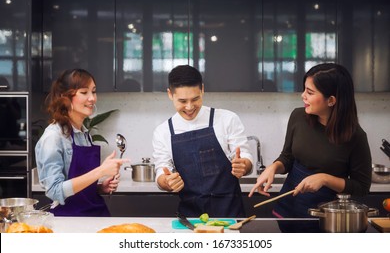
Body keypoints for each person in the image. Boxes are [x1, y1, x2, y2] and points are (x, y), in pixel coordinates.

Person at [249, 63, 372, 218]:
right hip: (288, 210)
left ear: (331, 100)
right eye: (304, 90)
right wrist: (273, 167)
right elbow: (287, 158)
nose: (303, 96)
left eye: (310, 92)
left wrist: (325, 179)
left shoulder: (356, 137)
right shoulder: (298, 117)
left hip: (326, 217)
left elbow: (361, 187)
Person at [152, 65, 253, 218]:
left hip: (230, 215)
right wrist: (167, 181)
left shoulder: (227, 119)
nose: (189, 107)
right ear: (170, 94)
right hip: (190, 218)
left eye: (195, 99)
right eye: (182, 101)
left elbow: (244, 155)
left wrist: (244, 166)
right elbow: (161, 170)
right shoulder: (162, 131)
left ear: (202, 90)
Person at [35, 69, 128, 216]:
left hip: (95, 214)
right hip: (70, 220)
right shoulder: (53, 137)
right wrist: (100, 171)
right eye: (84, 92)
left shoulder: (84, 134)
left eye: (94, 91)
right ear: (65, 97)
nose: (92, 98)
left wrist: (99, 187)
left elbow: (79, 185)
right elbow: (55, 191)